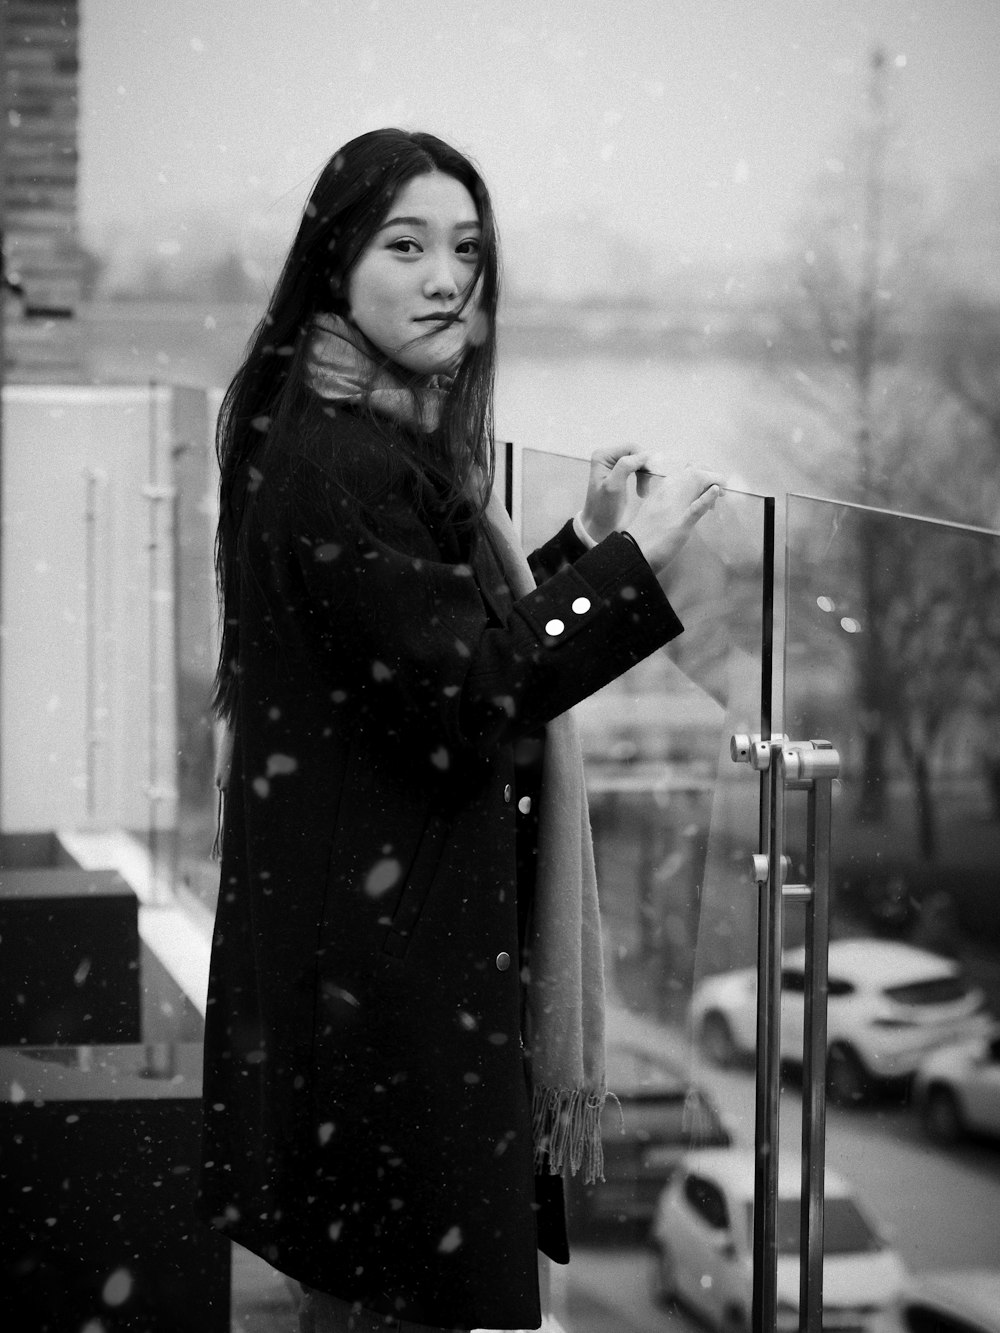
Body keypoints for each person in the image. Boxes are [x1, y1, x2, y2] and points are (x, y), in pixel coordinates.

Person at [199, 127, 723, 1333]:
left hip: (351, 953)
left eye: (468, 250)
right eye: (407, 245)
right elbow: (470, 687)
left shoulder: (330, 427)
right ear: (336, 263)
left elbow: (418, 644)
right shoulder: (342, 456)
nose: (448, 278)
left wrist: (576, 553)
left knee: (354, 1286)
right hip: (384, 979)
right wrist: (635, 565)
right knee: (390, 1293)